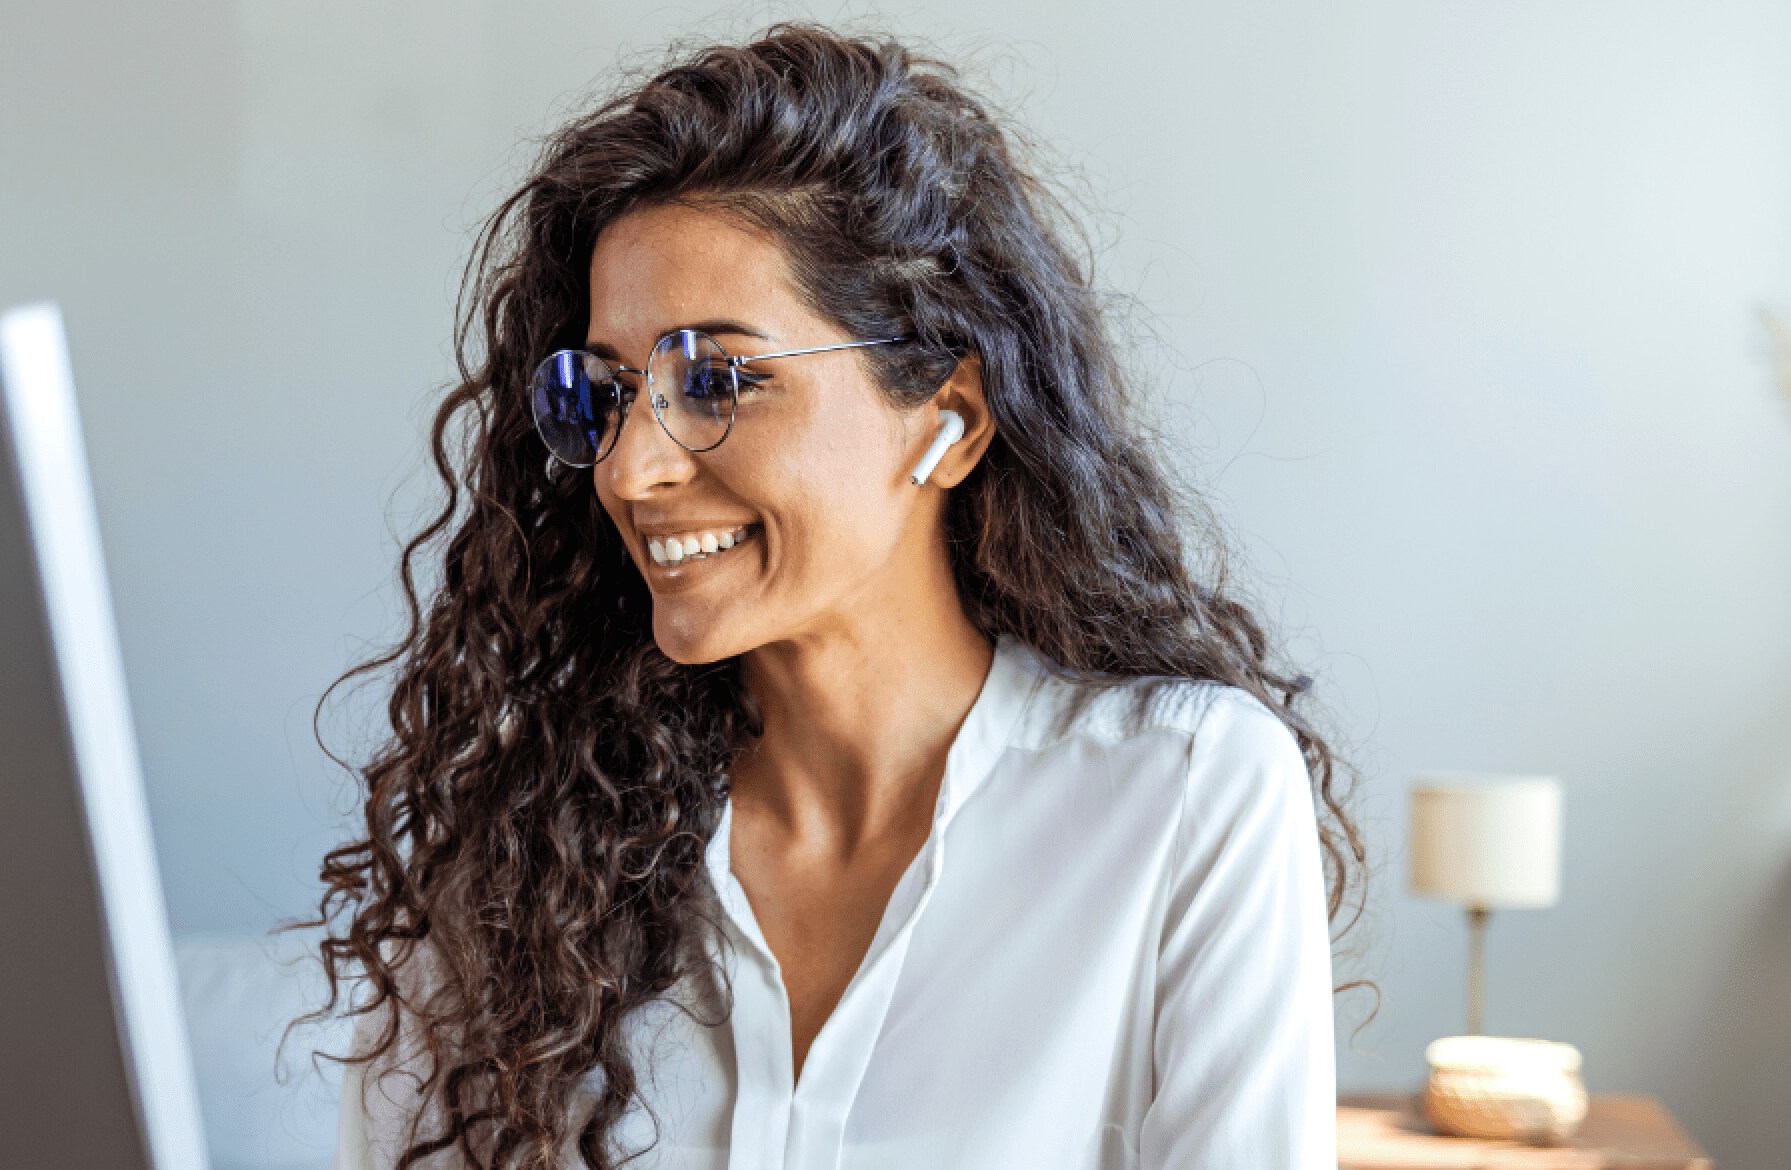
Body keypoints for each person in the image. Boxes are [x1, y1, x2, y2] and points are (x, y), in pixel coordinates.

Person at [311, 24, 1361, 1170]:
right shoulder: (521, 863)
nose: (628, 468)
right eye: (608, 392)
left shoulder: (1182, 795)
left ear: (949, 419)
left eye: (715, 379)